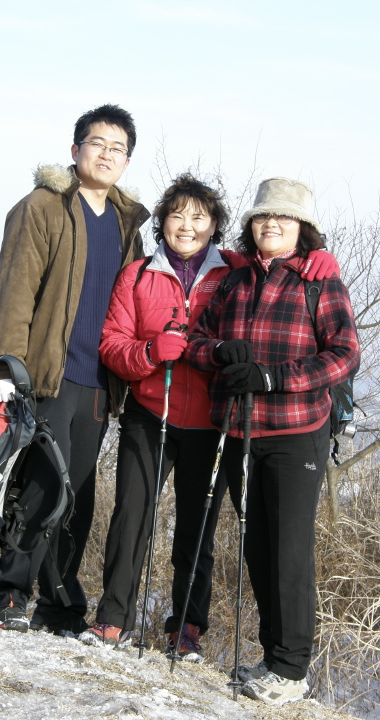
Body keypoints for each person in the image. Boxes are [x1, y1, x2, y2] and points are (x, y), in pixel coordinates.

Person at [78, 174, 340, 660]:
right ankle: (114, 618)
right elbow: (114, 344)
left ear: (215, 224)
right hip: (152, 413)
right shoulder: (139, 274)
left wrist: (317, 257)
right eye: (177, 214)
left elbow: (287, 265)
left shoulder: (236, 269)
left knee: (196, 530)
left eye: (199, 215)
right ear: (163, 222)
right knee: (132, 516)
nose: (187, 224)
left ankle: (188, 628)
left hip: (214, 425)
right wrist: (154, 351)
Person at [186, 177, 360, 702]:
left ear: (302, 228)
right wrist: (218, 354)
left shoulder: (318, 283)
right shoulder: (235, 283)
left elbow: (345, 354)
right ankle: (272, 661)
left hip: (296, 434)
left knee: (289, 551)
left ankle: (291, 671)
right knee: (258, 549)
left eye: (282, 218)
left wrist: (275, 377)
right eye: (263, 217)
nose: (271, 224)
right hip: (239, 432)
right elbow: (196, 341)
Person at [0, 104, 150, 636]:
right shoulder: (44, 206)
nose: (106, 154)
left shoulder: (128, 224)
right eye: (97, 143)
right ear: (75, 148)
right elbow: (14, 290)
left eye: (117, 148)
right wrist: (9, 365)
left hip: (100, 383)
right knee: (38, 487)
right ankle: (9, 591)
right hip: (48, 375)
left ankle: (59, 604)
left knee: (76, 495)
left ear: (126, 161)